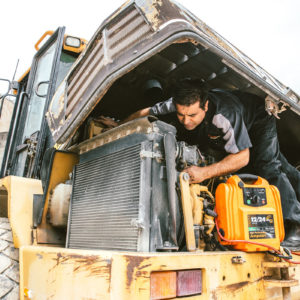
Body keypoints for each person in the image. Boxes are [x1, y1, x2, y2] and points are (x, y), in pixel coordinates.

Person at [100, 81, 300, 250]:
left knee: (267, 165)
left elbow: (242, 157)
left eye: (192, 116)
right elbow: (144, 112)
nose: (186, 121)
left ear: (205, 106)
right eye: (181, 115)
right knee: (281, 166)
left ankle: (295, 227)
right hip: (231, 126)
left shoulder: (224, 115)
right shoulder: (178, 105)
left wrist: (204, 173)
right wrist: (119, 127)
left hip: (257, 120)